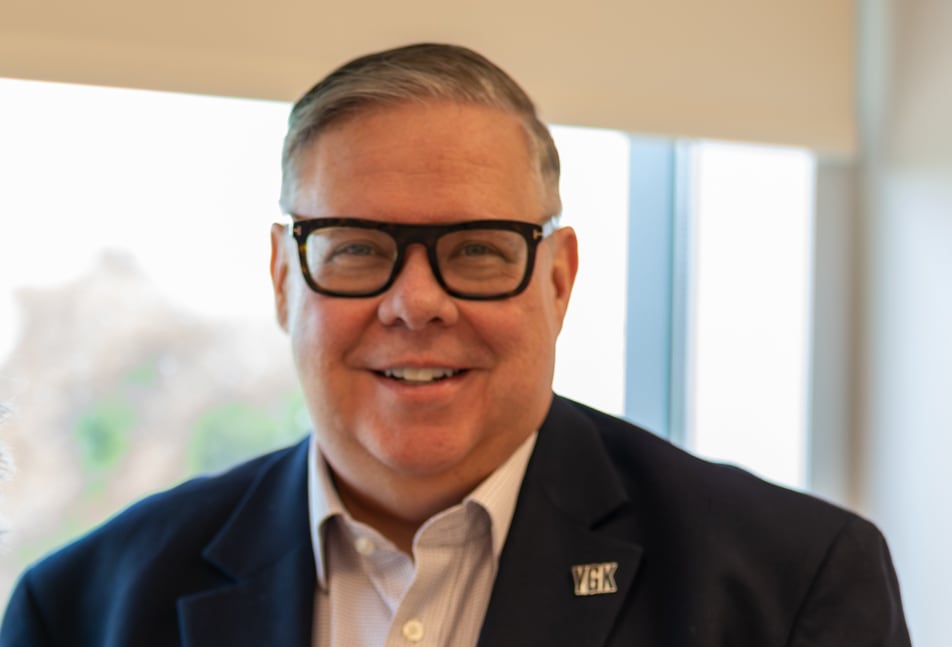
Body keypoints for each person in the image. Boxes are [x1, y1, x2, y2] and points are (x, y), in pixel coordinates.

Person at [1, 43, 910, 646]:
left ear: (558, 281)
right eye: (357, 248)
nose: (416, 302)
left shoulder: (786, 589)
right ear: (284, 279)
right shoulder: (83, 610)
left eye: (476, 250)